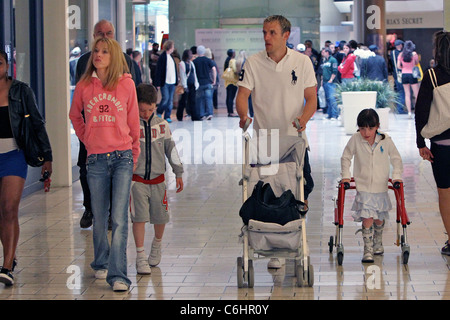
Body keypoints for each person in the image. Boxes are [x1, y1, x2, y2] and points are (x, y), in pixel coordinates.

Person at [236, 15, 317, 269]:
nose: (266, 37)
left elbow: (311, 99)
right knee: (270, 192)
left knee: (300, 188)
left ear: (286, 35)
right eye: (264, 33)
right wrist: (243, 115)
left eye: (272, 32)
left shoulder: (302, 62)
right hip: (266, 141)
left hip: (294, 140)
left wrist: (303, 119)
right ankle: (274, 248)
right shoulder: (253, 63)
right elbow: (242, 96)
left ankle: (296, 238)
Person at [69, 37, 141, 292]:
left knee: (120, 218)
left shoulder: (126, 85)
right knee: (99, 217)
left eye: (104, 52)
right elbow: (74, 114)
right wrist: (87, 137)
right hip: (96, 159)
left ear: (114, 57)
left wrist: (134, 151)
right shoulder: (84, 86)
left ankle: (118, 274)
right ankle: (100, 260)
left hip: (122, 157)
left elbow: (134, 122)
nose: (98, 55)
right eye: (96, 51)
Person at [75, 19, 137, 229]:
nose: (104, 37)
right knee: (85, 171)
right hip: (93, 133)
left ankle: (112, 214)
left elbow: (133, 105)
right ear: (93, 37)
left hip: (119, 138)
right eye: (99, 33)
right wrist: (86, 135)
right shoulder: (85, 62)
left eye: (108, 33)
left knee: (116, 179)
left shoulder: (127, 63)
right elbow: (78, 105)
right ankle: (90, 207)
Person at [0, 50, 53, 286]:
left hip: (14, 154)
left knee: (9, 208)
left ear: (6, 65)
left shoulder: (21, 90)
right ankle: (10, 255)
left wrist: (47, 157)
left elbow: (37, 122)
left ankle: (7, 265)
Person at [131, 83, 184, 274]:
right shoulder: (130, 126)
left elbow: (172, 151)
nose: (145, 114)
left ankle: (157, 245)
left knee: (160, 217)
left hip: (158, 181)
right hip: (136, 182)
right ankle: (140, 256)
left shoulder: (163, 125)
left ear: (156, 105)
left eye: (150, 110)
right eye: (142, 110)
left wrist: (178, 172)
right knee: (139, 218)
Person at [341, 109, 403, 263]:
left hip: (380, 185)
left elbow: (396, 159)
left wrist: (396, 177)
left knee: (379, 218)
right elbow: (346, 157)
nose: (366, 132)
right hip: (363, 186)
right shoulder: (355, 139)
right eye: (362, 128)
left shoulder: (386, 140)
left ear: (377, 126)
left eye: (370, 128)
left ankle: (378, 242)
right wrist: (346, 177)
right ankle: (367, 249)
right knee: (367, 216)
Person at [415, 31, 450, 256]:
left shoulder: (432, 76)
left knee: (445, 194)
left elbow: (421, 111)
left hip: (442, 146)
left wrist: (420, 143)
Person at [155, 40, 178, 123]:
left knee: (170, 100)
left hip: (172, 82)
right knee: (165, 98)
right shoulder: (163, 57)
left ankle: (167, 116)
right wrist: (157, 83)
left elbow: (173, 70)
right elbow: (159, 70)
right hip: (165, 82)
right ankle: (159, 111)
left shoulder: (171, 57)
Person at [193, 45, 217, 121]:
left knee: (199, 99)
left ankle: (201, 114)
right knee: (208, 99)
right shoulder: (208, 60)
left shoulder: (195, 61)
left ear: (197, 52)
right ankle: (209, 113)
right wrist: (214, 80)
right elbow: (213, 69)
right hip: (207, 82)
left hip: (199, 83)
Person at [397, 40, 420, 118]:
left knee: (407, 94)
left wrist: (404, 67)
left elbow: (398, 66)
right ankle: (417, 111)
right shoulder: (414, 54)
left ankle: (409, 112)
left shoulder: (401, 54)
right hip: (412, 74)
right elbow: (417, 63)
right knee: (416, 94)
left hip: (404, 74)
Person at [177, 49, 199, 121]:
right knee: (183, 101)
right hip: (185, 86)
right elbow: (182, 75)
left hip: (192, 85)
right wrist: (185, 86)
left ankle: (194, 116)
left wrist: (196, 83)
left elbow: (194, 74)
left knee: (193, 101)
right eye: (190, 54)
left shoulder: (191, 63)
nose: (191, 55)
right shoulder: (182, 64)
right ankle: (179, 116)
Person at [320, 47, 339, 120]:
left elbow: (334, 71)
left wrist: (331, 79)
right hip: (325, 82)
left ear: (327, 52)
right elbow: (323, 72)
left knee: (332, 98)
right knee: (327, 99)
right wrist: (322, 81)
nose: (322, 53)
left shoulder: (333, 60)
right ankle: (330, 114)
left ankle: (334, 114)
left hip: (330, 83)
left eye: (323, 52)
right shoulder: (325, 61)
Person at [390, 39, 406, 114]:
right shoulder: (402, 54)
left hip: (396, 75)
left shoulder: (392, 53)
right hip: (401, 75)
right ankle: (400, 109)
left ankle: (398, 107)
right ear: (400, 45)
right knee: (402, 92)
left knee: (398, 91)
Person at [223, 49, 239, 117]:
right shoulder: (233, 61)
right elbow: (235, 70)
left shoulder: (226, 61)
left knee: (228, 97)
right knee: (231, 97)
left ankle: (229, 112)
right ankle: (231, 112)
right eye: (234, 53)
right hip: (233, 81)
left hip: (227, 82)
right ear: (232, 54)